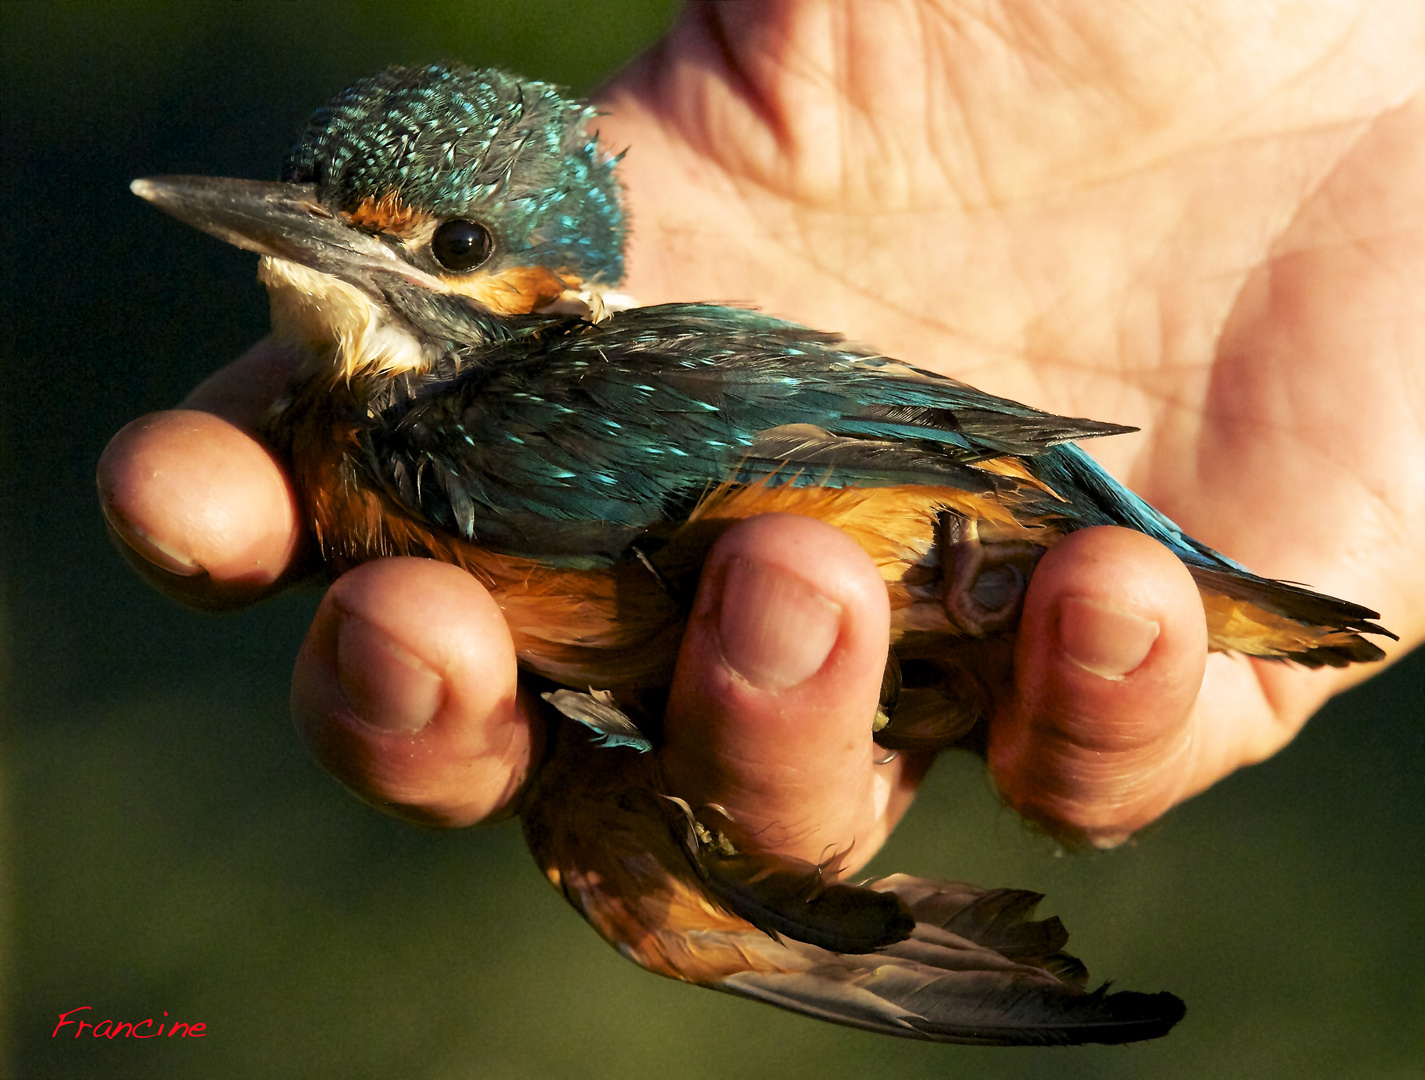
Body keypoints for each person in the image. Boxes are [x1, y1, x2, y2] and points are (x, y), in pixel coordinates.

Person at [98, 0, 1423, 868]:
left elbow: (856, 476)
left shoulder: (448, 438)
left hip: (955, 507)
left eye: (446, 250)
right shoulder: (348, 427)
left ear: (553, 289)